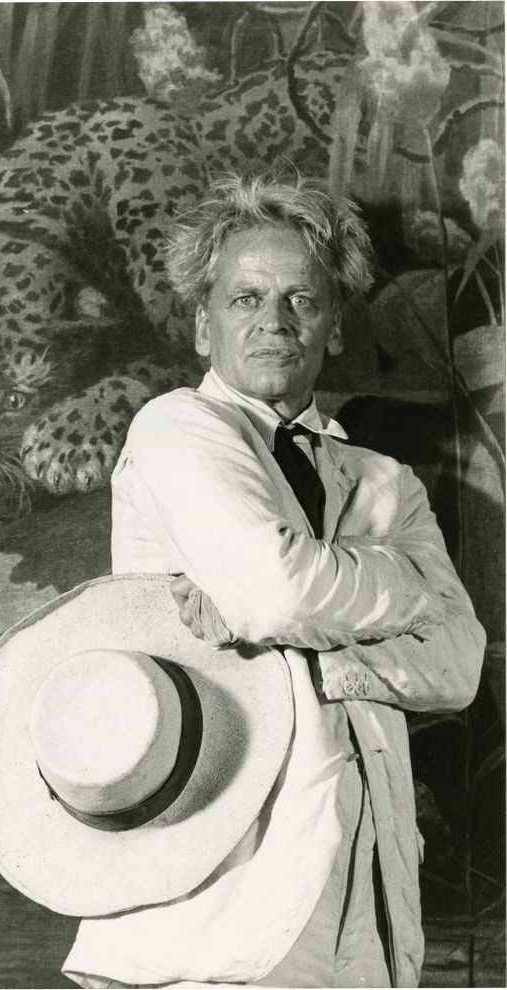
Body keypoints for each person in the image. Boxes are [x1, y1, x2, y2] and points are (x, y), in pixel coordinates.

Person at [61, 174, 485, 989]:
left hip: (365, 908)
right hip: (213, 912)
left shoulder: (385, 480)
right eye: (245, 298)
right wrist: (406, 589)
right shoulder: (177, 428)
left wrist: (320, 662)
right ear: (203, 324)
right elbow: (279, 592)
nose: (275, 322)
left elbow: (460, 663)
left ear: (335, 327)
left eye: (302, 300)